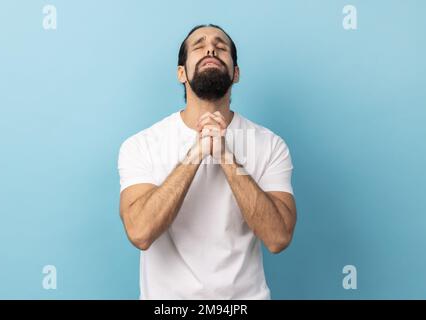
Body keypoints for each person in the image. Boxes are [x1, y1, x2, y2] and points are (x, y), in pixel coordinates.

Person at [117, 24, 297, 299]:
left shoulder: (270, 145)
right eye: (199, 46)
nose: (211, 48)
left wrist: (225, 155)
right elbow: (140, 232)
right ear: (181, 73)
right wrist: (197, 152)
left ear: (236, 74)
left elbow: (278, 238)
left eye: (221, 47)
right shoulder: (141, 145)